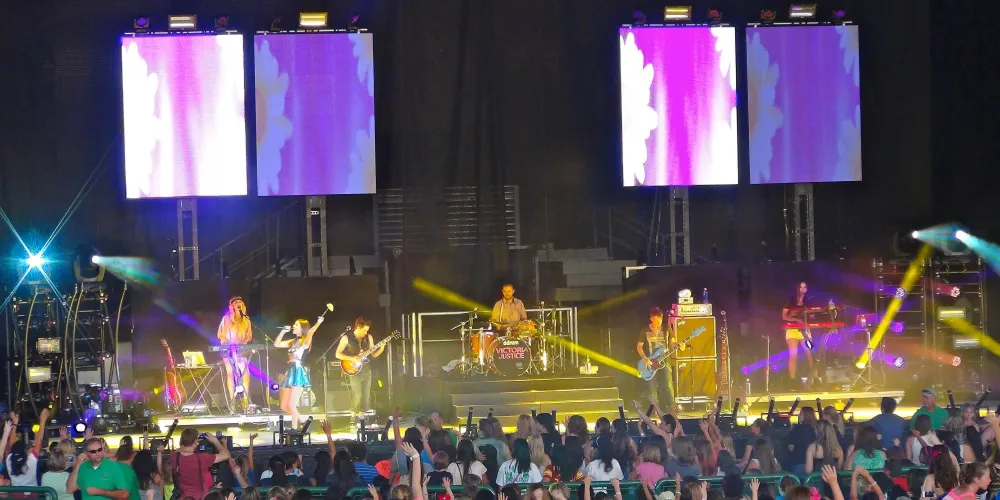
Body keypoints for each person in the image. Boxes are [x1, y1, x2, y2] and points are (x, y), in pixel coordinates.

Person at [274, 315, 325, 426]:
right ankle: (301, 419)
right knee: (283, 405)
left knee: (291, 404)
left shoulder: (304, 342)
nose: (293, 326)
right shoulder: (293, 341)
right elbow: (276, 344)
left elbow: (311, 332)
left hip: (298, 371)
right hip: (290, 371)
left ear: (302, 329)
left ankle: (294, 429)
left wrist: (318, 322)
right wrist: (283, 331)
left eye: (296, 324)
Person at [336, 316, 384, 423]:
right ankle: (352, 418)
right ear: (358, 327)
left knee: (366, 396)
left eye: (367, 330)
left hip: (366, 370)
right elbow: (338, 354)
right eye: (364, 330)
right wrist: (352, 358)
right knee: (357, 394)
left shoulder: (369, 337)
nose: (366, 333)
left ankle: (361, 419)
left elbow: (374, 354)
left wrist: (381, 348)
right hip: (353, 369)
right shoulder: (346, 338)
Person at [170, 429, 230, 499]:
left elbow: (181, 449)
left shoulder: (174, 456)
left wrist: (191, 441)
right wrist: (215, 440)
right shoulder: (202, 458)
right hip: (199, 497)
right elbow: (226, 455)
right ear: (195, 441)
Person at [218, 296, 254, 409]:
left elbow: (249, 336)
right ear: (232, 306)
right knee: (231, 373)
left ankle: (245, 400)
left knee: (245, 373)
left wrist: (242, 343)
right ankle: (232, 401)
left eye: (240, 302)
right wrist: (229, 344)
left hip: (241, 349)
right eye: (236, 302)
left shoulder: (246, 320)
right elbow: (221, 335)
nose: (239, 303)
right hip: (228, 348)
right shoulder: (226, 318)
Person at [67, 437, 131, 500]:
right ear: (86, 453)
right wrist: (77, 465)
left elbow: (124, 494)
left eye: (100, 450)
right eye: (93, 451)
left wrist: (101, 492)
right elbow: (70, 489)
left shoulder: (113, 466)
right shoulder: (83, 467)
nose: (98, 453)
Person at [636, 307, 675, 409]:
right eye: (656, 321)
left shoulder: (666, 328)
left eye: (660, 321)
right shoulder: (645, 330)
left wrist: (679, 345)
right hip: (651, 361)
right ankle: (655, 409)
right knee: (652, 387)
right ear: (651, 319)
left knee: (667, 384)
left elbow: (672, 342)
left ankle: (672, 407)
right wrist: (645, 358)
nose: (658, 323)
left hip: (665, 359)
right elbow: (639, 346)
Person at [781, 282, 817, 383]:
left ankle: (815, 379)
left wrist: (812, 315)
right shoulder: (790, 300)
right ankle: (792, 380)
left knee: (811, 354)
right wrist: (795, 319)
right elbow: (784, 316)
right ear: (797, 288)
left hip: (805, 330)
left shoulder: (808, 301)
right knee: (793, 355)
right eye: (801, 287)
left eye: (805, 287)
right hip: (792, 330)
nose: (803, 289)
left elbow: (812, 316)